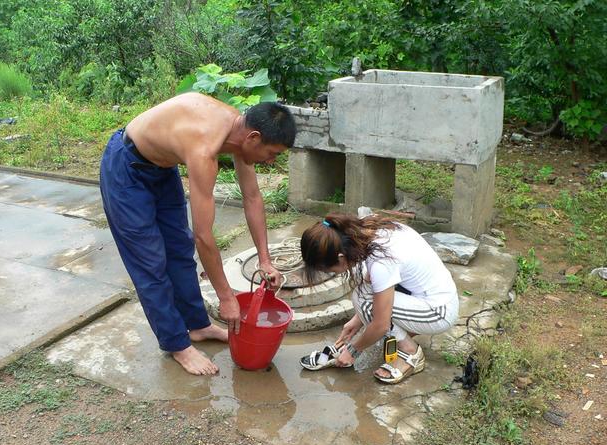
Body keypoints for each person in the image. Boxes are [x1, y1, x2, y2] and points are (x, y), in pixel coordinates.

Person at [99, 92, 296, 376]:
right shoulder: (205, 149)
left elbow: (252, 198)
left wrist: (265, 260)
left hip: (162, 168)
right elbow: (204, 236)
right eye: (273, 153)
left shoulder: (240, 134)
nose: (270, 161)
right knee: (150, 262)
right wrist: (226, 297)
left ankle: (198, 326)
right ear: (254, 138)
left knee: (179, 250)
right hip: (126, 168)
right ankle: (177, 344)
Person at [299, 213, 459, 384]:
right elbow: (375, 286)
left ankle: (410, 352)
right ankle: (399, 335)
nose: (334, 273)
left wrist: (354, 350)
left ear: (340, 257)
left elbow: (381, 324)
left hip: (438, 311)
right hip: (422, 295)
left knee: (364, 302)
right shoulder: (368, 231)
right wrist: (357, 320)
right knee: (364, 293)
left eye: (331, 270)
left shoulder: (381, 261)